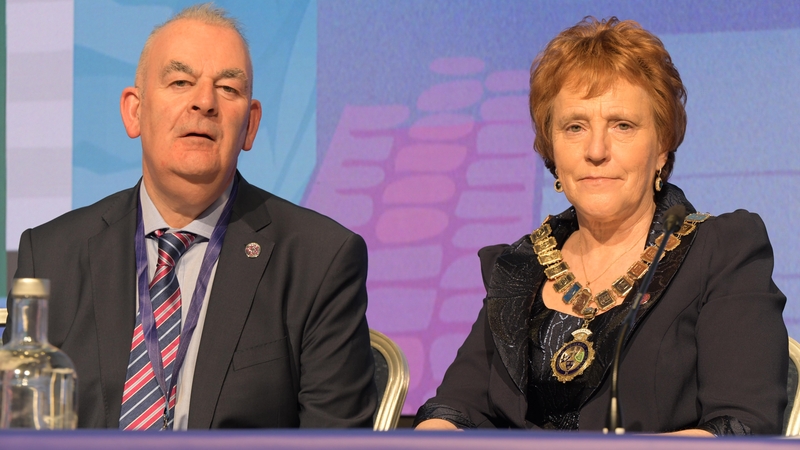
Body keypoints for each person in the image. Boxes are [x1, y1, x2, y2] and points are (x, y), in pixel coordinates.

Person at [2, 4, 376, 429]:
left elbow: (335, 439)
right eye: (180, 82)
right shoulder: (50, 256)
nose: (204, 102)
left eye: (228, 89)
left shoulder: (319, 260)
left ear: (251, 126)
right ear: (134, 110)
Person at [414, 17, 787, 435]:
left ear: (662, 146)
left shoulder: (722, 251)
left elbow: (741, 425)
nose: (595, 150)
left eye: (622, 126)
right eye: (575, 127)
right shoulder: (520, 267)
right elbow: (453, 410)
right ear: (551, 147)